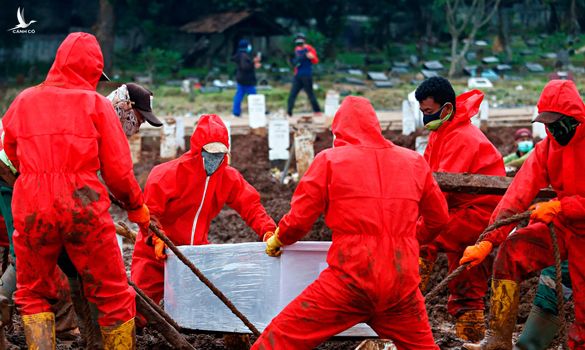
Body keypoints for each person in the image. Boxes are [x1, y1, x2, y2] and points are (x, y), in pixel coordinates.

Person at [252, 96, 449, 349]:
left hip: (350, 281)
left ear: (339, 130)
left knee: (279, 339)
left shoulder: (329, 161)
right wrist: (407, 239)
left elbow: (300, 219)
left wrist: (280, 238)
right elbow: (439, 218)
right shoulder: (414, 162)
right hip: (401, 286)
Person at [1, 32, 150, 349]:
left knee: (33, 292)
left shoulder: (23, 101)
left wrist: (37, 175)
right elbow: (118, 171)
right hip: (82, 204)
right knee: (112, 291)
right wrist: (136, 207)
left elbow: (11, 153)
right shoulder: (96, 104)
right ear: (93, 70)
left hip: (31, 204)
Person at [460, 80, 585, 349]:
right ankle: (499, 340)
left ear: (575, 118)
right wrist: (488, 240)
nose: (552, 130)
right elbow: (517, 193)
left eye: (557, 123)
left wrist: (563, 206)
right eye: (547, 124)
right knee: (510, 252)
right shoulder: (547, 148)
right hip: (565, 228)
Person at [131, 114, 276, 305]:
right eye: (209, 153)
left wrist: (268, 231)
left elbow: (251, 206)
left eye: (220, 154)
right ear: (197, 149)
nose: (214, 159)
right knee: (138, 307)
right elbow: (150, 213)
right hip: (158, 252)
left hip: (197, 256)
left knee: (194, 310)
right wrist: (157, 238)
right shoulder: (166, 175)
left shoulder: (228, 178)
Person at [415, 77, 505, 342]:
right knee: (467, 275)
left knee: (425, 239)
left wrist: (415, 222)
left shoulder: (462, 138)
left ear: (446, 109)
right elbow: (426, 177)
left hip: (477, 213)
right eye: (422, 113)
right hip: (459, 211)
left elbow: (440, 192)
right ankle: (472, 337)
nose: (425, 119)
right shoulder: (440, 133)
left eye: (429, 113)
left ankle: (406, 301)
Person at [287, 33, 321, 117]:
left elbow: (316, 60)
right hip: (298, 74)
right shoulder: (296, 49)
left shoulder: (309, 48)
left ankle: (317, 111)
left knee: (310, 93)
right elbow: (295, 62)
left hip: (306, 74)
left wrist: (311, 57)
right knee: (293, 93)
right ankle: (289, 111)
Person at [231, 39, 261, 118]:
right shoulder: (244, 56)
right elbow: (245, 67)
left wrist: (252, 64)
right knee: (254, 96)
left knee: (239, 95)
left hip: (241, 78)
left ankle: (236, 112)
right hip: (246, 79)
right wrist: (253, 63)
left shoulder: (240, 55)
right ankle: (259, 111)